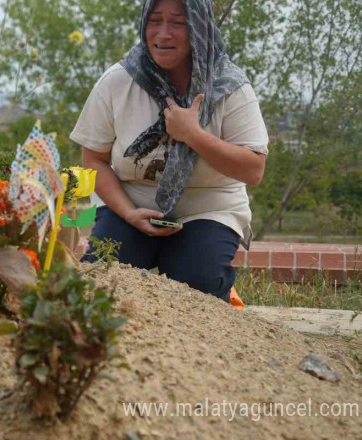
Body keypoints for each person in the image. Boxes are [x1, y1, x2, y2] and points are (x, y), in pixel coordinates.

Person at [71, 0, 268, 303]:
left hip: (208, 209)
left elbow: (253, 170)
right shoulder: (119, 80)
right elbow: (93, 160)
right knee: (100, 281)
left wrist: (193, 134)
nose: (163, 34)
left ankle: (220, 290)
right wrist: (129, 213)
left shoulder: (230, 85)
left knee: (197, 286)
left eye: (177, 22)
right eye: (155, 20)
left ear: (198, 28)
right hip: (131, 205)